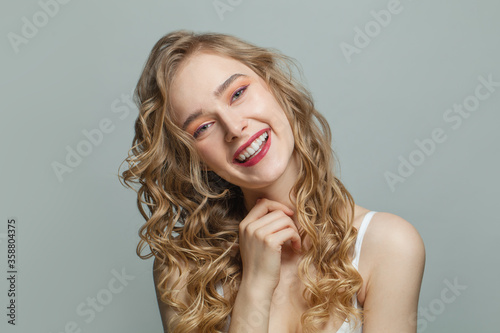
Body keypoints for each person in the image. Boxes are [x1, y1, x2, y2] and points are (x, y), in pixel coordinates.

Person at [119, 30, 425, 333]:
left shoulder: (388, 245)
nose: (234, 127)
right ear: (193, 157)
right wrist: (256, 286)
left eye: (237, 94)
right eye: (203, 127)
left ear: (275, 87)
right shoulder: (180, 273)